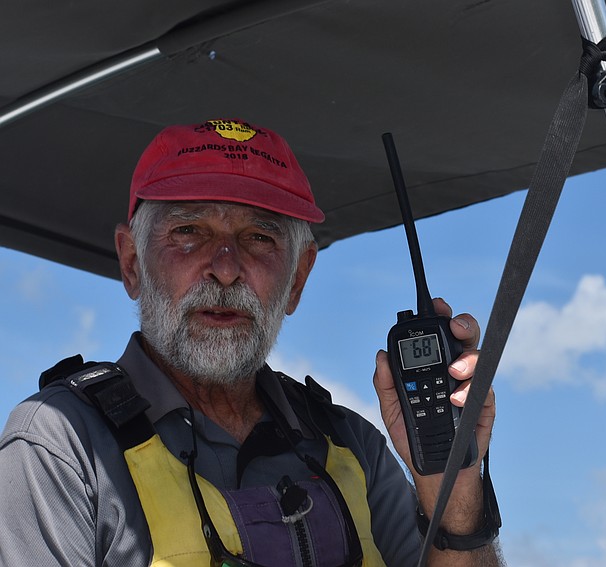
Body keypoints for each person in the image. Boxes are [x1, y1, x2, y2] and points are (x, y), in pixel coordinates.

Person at [0, 119, 502, 566]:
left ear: (298, 279)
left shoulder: (354, 447)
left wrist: (453, 486)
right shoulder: (60, 445)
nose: (224, 268)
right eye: (189, 231)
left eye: (259, 238)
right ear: (132, 263)